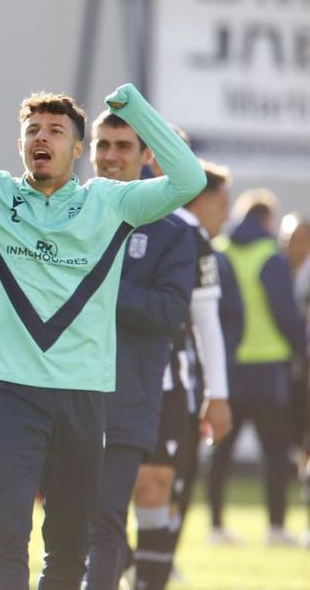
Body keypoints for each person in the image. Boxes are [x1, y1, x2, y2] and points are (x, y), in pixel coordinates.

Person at [0, 76, 205, 588]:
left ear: (78, 149)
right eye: (32, 130)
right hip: (10, 394)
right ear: (20, 145)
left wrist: (138, 110)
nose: (42, 138)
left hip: (85, 396)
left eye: (56, 131)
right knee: (8, 538)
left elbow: (189, 181)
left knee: (70, 547)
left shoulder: (111, 203)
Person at [80, 112, 197, 589]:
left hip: (128, 394)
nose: (110, 155)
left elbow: (172, 311)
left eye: (123, 146)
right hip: (57, 393)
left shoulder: (173, 229)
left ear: (147, 155)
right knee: (67, 523)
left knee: (106, 519)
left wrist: (99, 290)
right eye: (102, 144)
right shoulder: (61, 213)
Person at [129, 158, 233, 589]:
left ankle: (150, 576)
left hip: (171, 385)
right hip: (98, 378)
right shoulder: (92, 210)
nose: (225, 213)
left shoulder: (190, 236)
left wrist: (217, 393)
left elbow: (206, 319)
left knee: (162, 486)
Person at [207, 189, 305, 546]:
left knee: (221, 453)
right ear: (267, 219)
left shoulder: (219, 249)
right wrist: (301, 349)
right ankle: (275, 528)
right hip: (268, 370)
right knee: (276, 455)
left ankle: (215, 527)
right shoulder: (271, 255)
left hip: (229, 370)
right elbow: (284, 313)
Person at [279, 212, 310, 545]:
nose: (294, 247)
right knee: (290, 449)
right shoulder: (277, 270)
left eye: (301, 239)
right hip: (283, 372)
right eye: (289, 240)